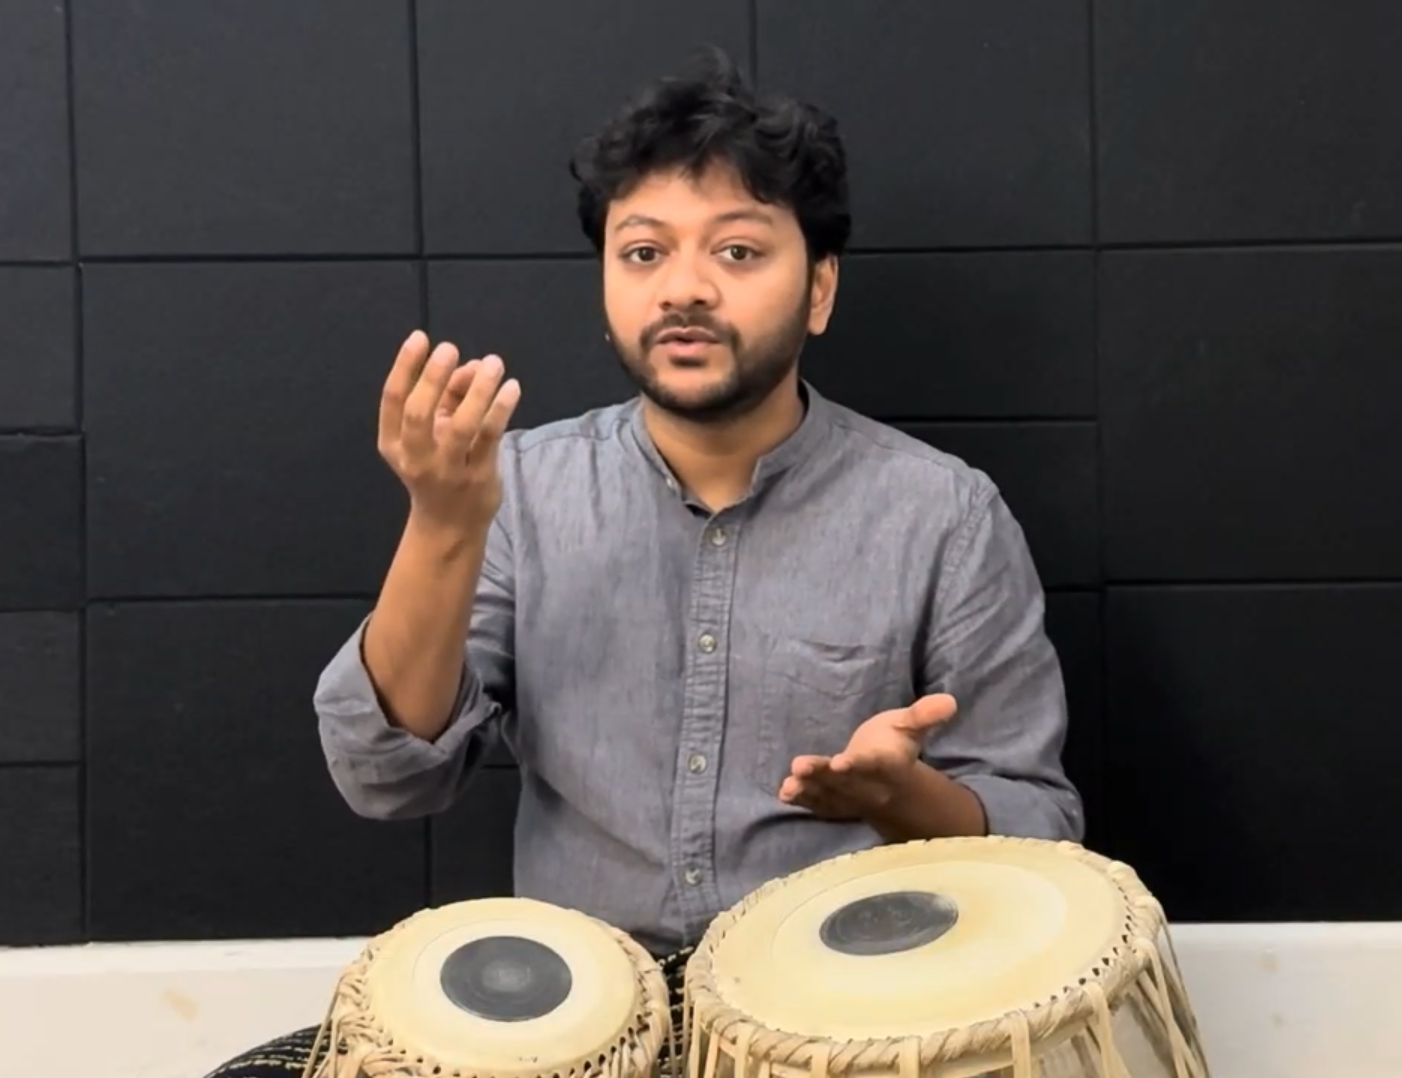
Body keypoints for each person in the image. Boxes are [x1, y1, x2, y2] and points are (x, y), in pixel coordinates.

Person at [311, 46, 1083, 980]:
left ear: (820, 289)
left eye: (738, 250)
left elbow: (1042, 836)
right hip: (588, 1020)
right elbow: (386, 778)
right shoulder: (515, 493)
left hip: (851, 1014)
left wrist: (902, 796)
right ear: (605, 287)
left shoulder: (942, 514)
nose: (683, 288)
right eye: (643, 252)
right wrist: (441, 523)